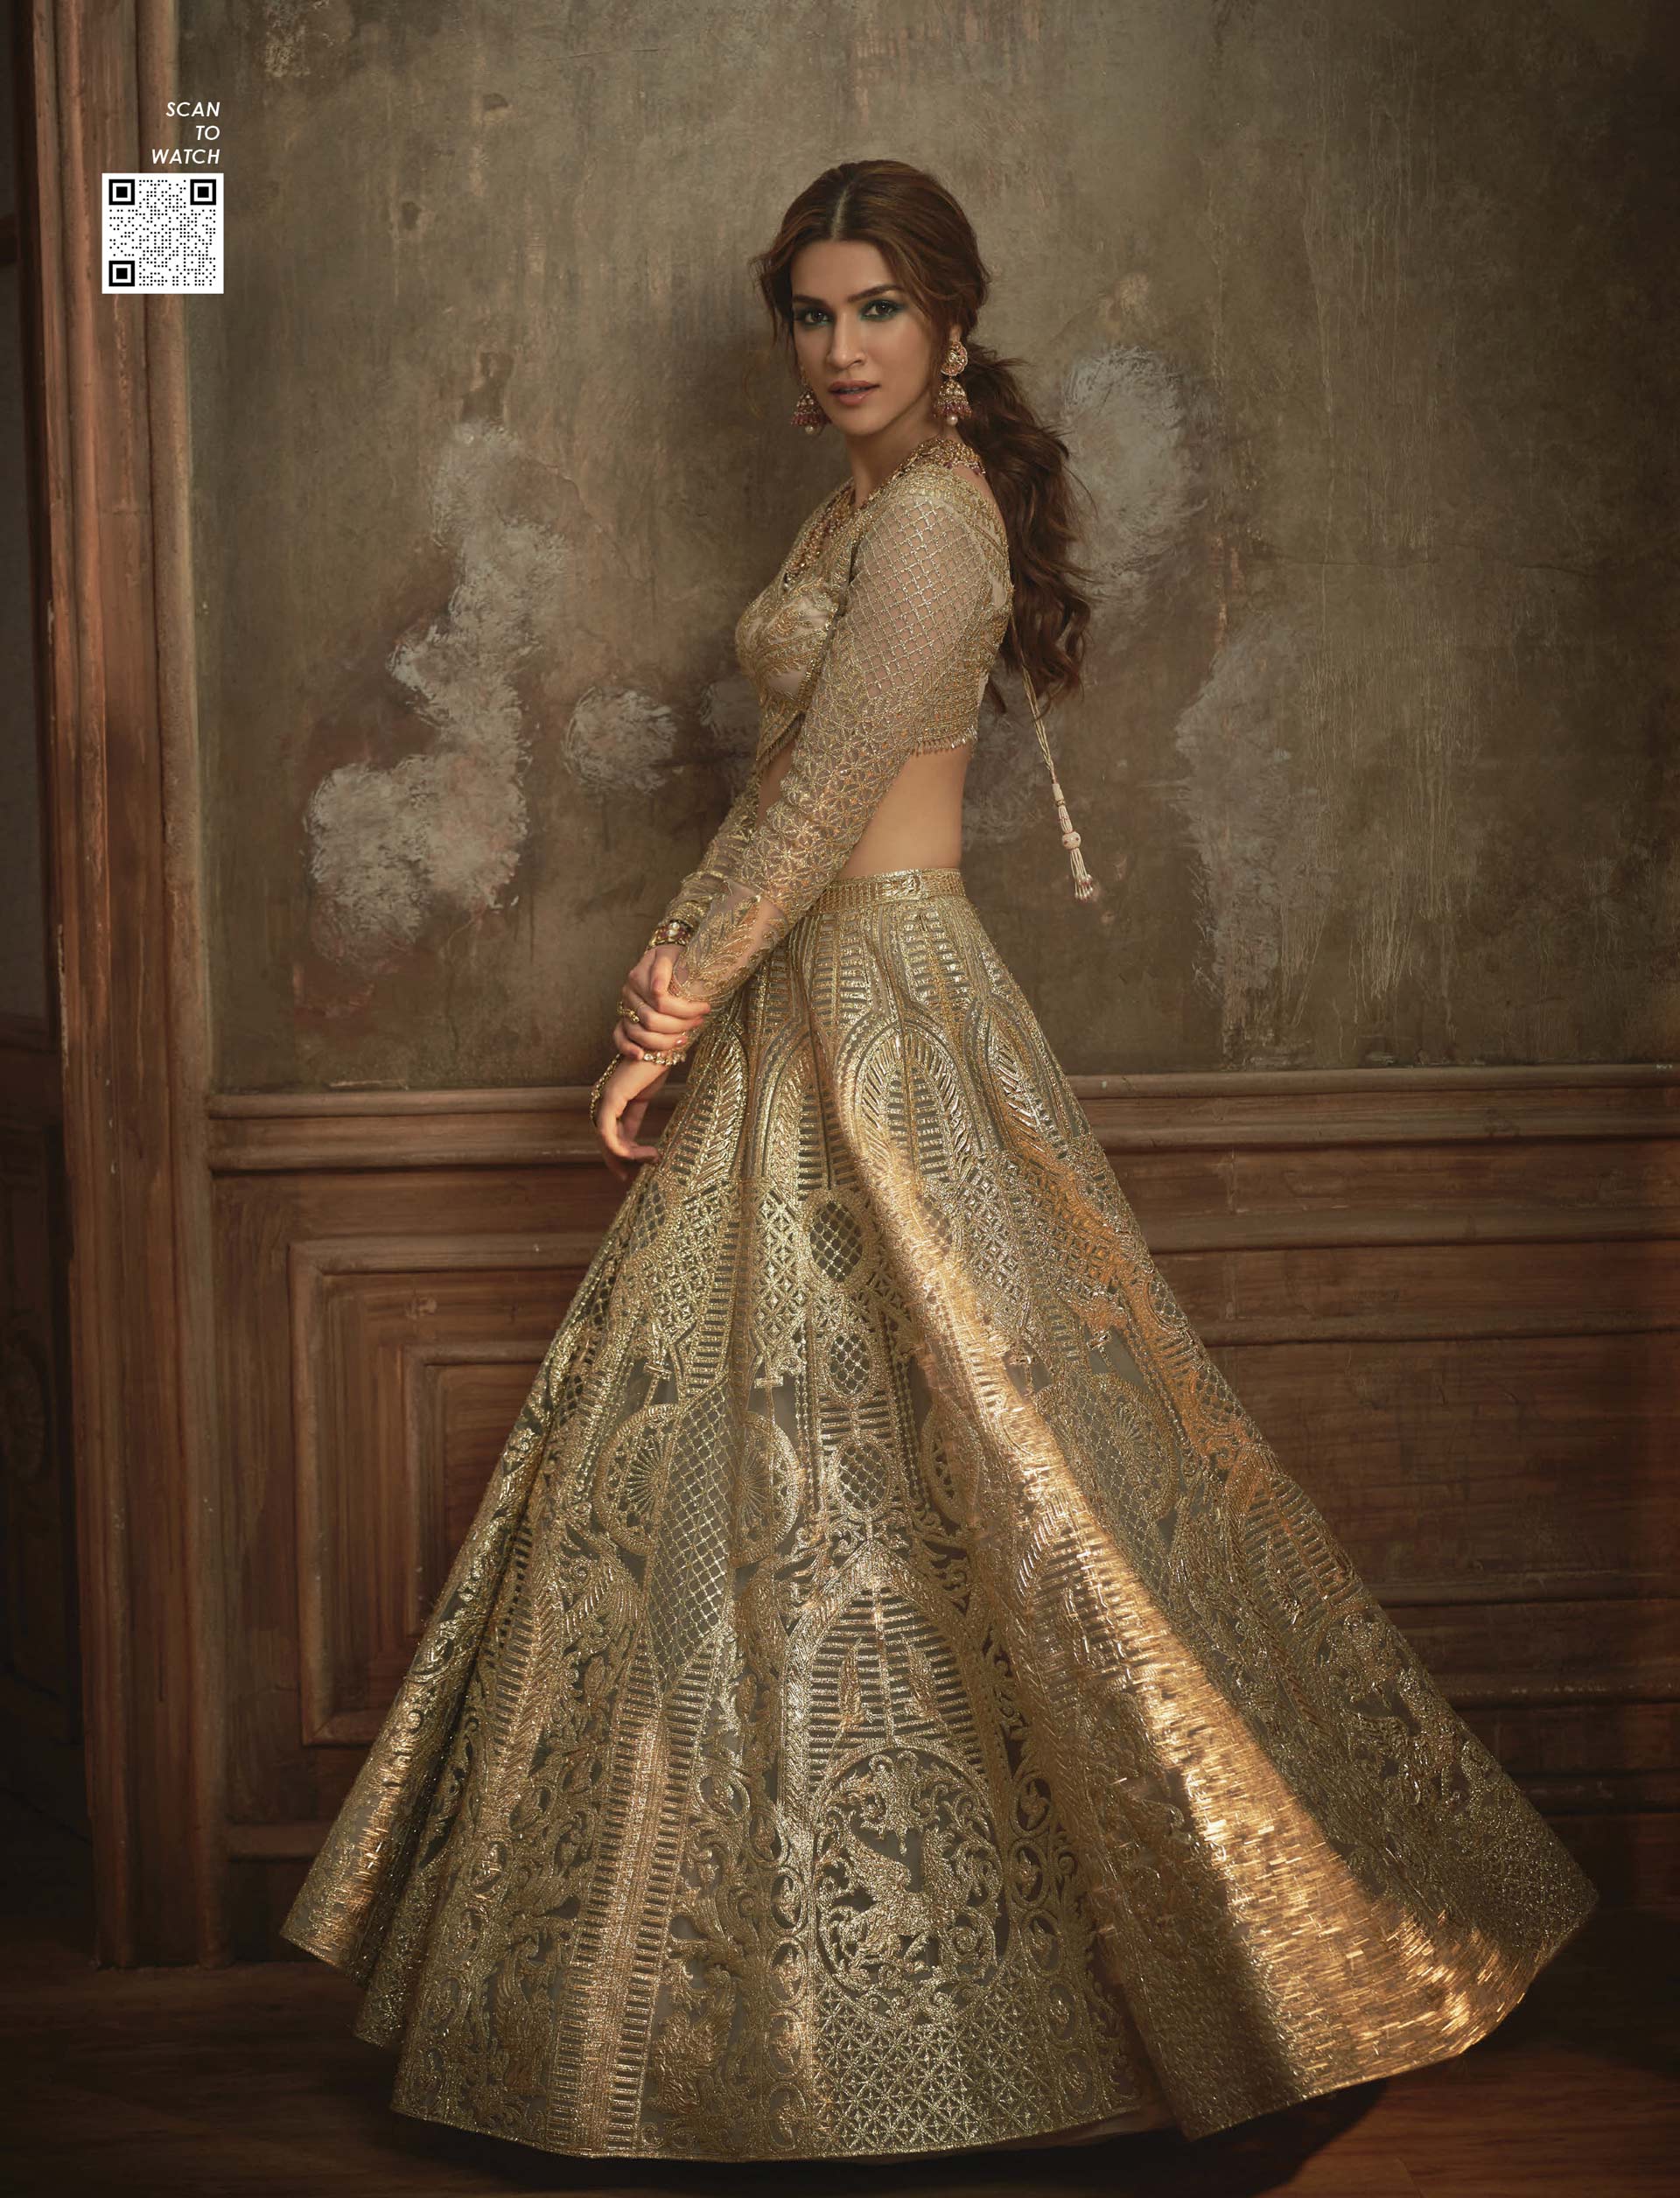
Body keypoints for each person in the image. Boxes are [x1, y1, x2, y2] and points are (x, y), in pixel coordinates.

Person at [281, 158, 1596, 2166]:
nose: (840, 346)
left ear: (952, 320)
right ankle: (765, 1986)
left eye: (876, 308)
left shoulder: (929, 524)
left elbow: (824, 792)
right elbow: (800, 782)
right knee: (795, 1467)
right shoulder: (859, 507)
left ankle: (1233, 1929)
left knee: (1012, 1457)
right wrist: (711, 992)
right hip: (815, 999)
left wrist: (671, 992)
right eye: (813, 313)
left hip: (883, 999)